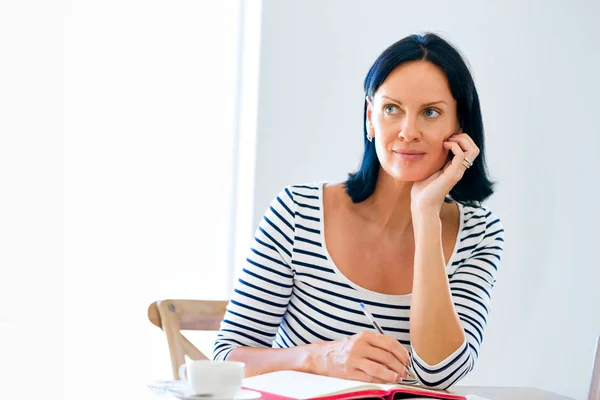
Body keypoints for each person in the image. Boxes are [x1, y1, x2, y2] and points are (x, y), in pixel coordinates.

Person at [212, 32, 504, 390]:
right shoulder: (297, 213)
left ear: (458, 127)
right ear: (370, 117)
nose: (408, 132)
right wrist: (318, 358)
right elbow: (226, 358)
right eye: (391, 109)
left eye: (430, 112)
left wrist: (426, 215)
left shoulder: (479, 233)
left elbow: (439, 374)